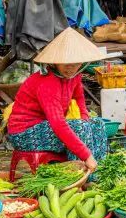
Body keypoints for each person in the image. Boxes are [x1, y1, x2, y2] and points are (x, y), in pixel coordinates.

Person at [7, 28, 109, 172]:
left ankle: (98, 173)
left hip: (46, 126)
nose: (71, 68)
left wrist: (85, 117)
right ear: (55, 62)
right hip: (24, 134)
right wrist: (86, 156)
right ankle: (81, 177)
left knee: (97, 124)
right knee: (78, 128)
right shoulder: (48, 83)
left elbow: (78, 96)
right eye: (66, 63)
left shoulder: (74, 76)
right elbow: (58, 124)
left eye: (76, 63)